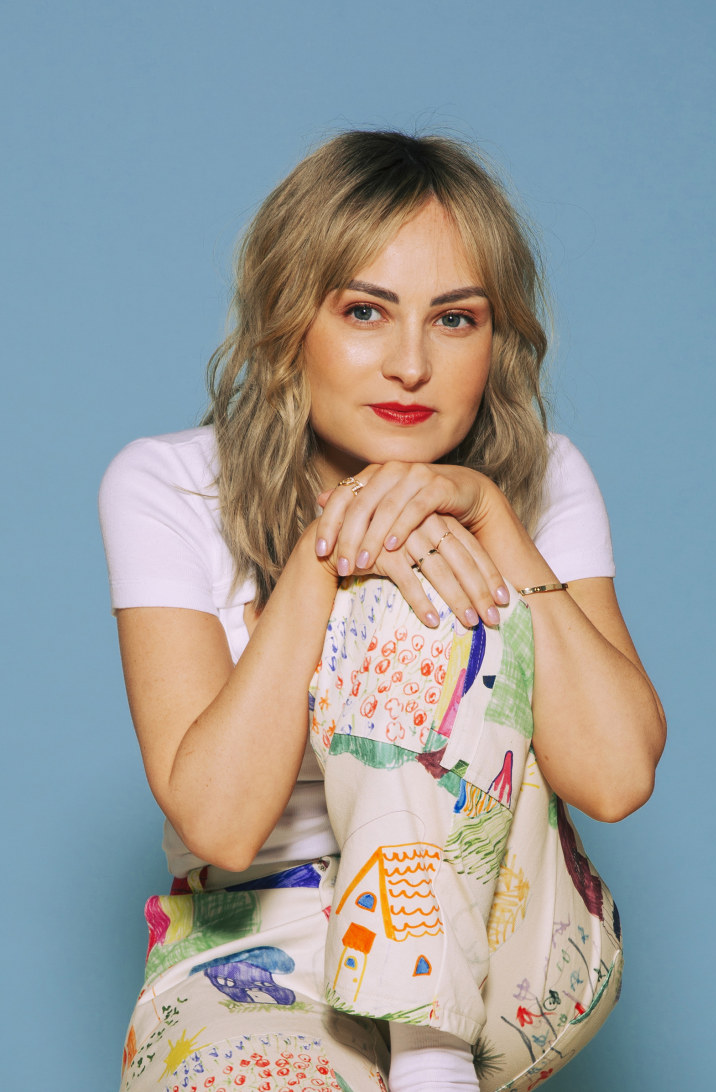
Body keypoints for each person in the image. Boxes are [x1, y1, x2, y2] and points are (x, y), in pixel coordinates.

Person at [99, 130, 665, 1092]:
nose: (412, 363)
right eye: (366, 311)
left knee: (422, 573)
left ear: (497, 337)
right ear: (290, 325)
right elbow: (222, 826)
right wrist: (331, 555)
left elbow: (612, 778)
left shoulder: (548, 480)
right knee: (384, 563)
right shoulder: (167, 483)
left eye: (455, 320)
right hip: (259, 949)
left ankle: (431, 1058)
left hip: (511, 933)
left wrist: (486, 515)